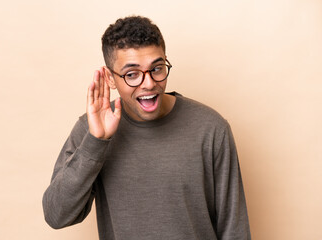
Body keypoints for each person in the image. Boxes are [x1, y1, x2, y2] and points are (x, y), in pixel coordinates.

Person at [43, 16, 251, 240]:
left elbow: (234, 228)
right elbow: (57, 216)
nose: (149, 83)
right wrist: (95, 143)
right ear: (111, 79)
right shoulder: (92, 129)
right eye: (132, 74)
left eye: (157, 68)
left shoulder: (211, 128)